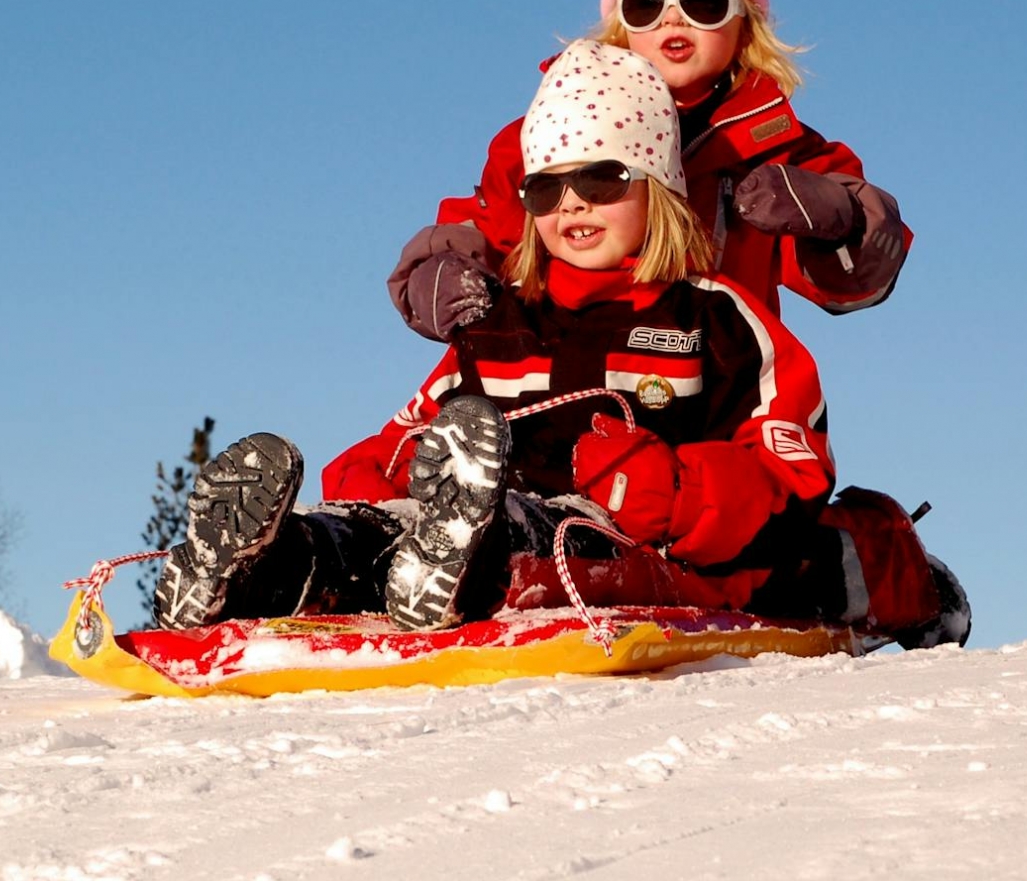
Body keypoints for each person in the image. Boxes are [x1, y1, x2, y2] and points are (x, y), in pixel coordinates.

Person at [152, 42, 968, 649]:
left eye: (603, 179)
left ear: (658, 191)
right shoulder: (501, 323)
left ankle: (454, 560)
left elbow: (790, 479)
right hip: (466, 521)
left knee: (539, 540)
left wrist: (672, 489)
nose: (572, 202)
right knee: (375, 533)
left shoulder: (716, 319)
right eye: (546, 187)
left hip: (623, 541)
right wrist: (379, 480)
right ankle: (266, 566)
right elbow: (402, 435)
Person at [389, 0, 911, 345]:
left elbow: (855, 282)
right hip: (574, 370)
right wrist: (442, 271)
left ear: (745, 20)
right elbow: (491, 225)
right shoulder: (557, 131)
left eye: (703, 0)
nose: (672, 19)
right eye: (647, 3)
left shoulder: (779, 149)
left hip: (719, 382)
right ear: (623, 22)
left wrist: (837, 218)